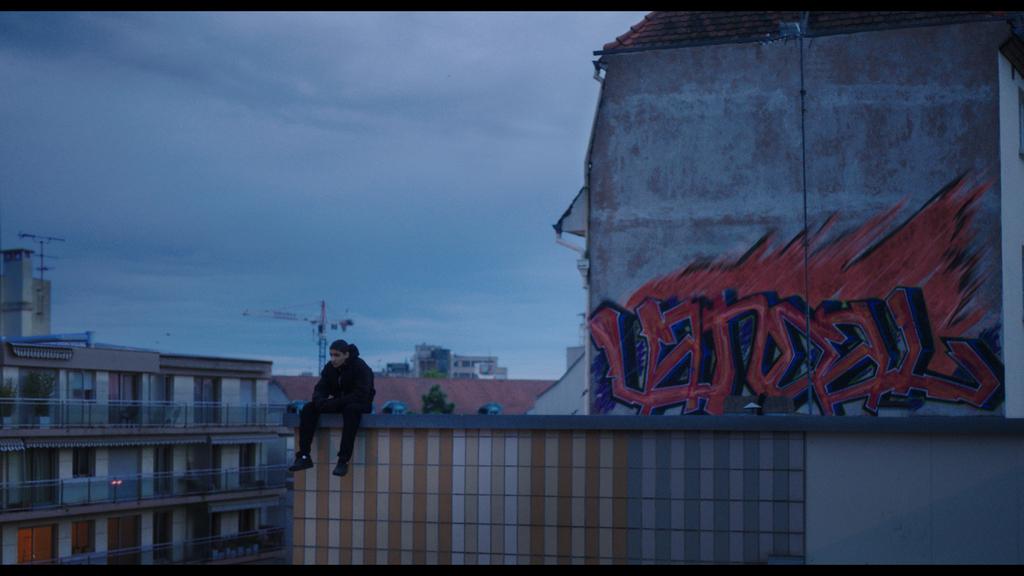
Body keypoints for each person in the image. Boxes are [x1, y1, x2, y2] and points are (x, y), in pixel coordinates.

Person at [289, 339, 375, 477]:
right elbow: (321, 388)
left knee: (351, 410)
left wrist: (334, 403)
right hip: (339, 402)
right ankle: (304, 456)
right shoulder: (330, 368)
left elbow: (361, 394)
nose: (333, 359)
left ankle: (343, 460)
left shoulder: (360, 367)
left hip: (360, 403)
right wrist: (319, 402)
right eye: (331, 355)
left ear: (346, 354)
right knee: (309, 408)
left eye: (337, 355)